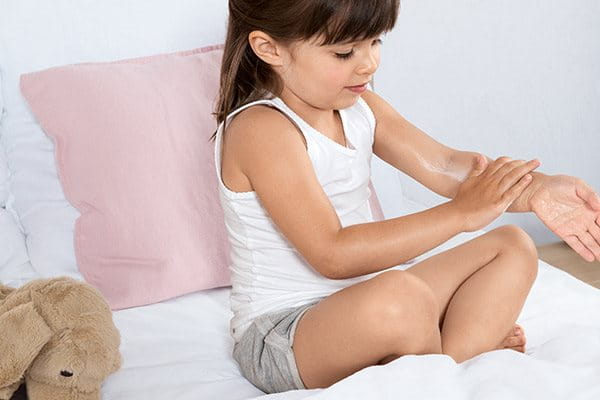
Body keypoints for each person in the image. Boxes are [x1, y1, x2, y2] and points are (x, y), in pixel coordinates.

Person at [210, 0, 600, 394]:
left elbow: (446, 164)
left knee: (512, 244)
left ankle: (454, 360)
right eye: (344, 52)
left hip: (371, 304)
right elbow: (332, 253)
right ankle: (455, 360)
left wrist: (537, 189)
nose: (368, 64)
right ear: (269, 48)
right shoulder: (261, 128)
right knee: (401, 296)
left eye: (374, 42)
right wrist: (459, 215)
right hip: (287, 333)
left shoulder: (360, 107)